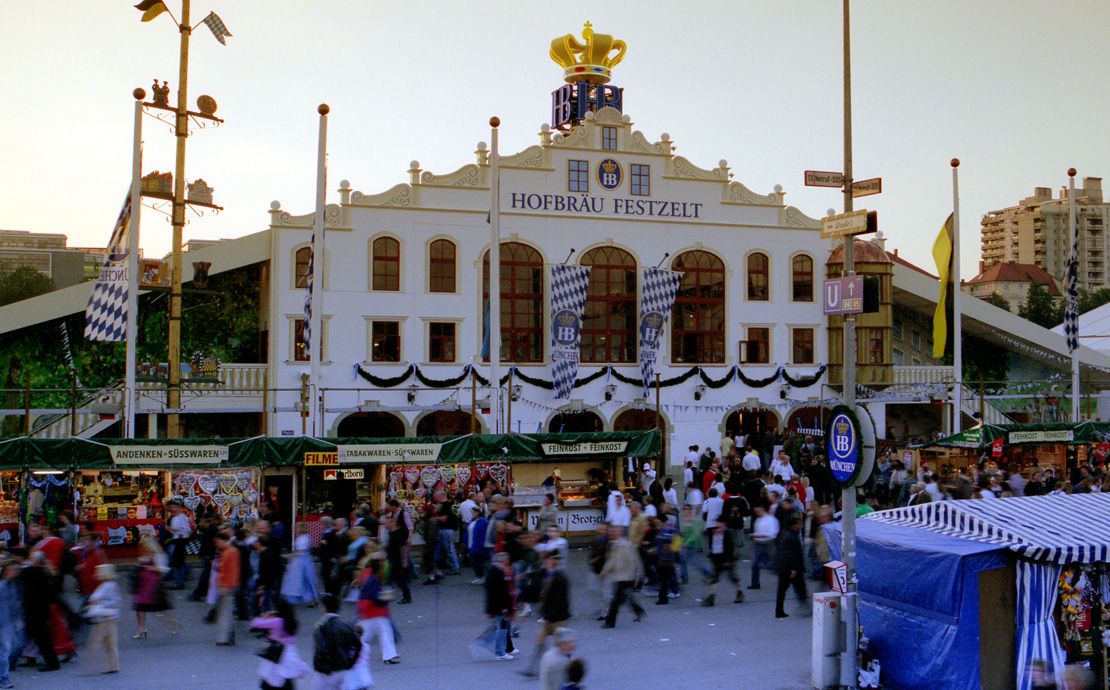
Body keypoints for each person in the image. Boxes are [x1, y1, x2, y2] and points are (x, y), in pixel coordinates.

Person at [521, 550, 571, 678]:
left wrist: (549, 618)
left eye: (548, 559)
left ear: (554, 561)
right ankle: (534, 668)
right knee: (540, 641)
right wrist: (526, 575)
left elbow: (559, 601)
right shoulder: (548, 573)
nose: (546, 562)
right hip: (547, 615)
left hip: (556, 617)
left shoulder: (560, 578)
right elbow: (537, 574)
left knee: (561, 644)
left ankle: (567, 669)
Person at [250, 598, 309, 690]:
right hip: (289, 652)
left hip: (275, 653)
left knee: (271, 679)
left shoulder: (277, 621)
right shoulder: (293, 620)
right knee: (286, 679)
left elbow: (255, 623)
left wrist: (266, 616)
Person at [311, 593, 365, 690]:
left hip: (326, 672)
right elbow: (358, 644)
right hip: (343, 668)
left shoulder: (321, 627)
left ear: (324, 608)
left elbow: (321, 649)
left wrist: (324, 668)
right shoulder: (347, 625)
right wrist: (351, 661)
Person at [132, 536, 181, 638]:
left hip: (154, 585)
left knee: (160, 608)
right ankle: (141, 628)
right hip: (143, 584)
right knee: (139, 607)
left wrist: (151, 568)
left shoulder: (158, 555)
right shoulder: (144, 555)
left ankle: (172, 624)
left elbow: (163, 569)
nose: (142, 547)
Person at [471, 551, 517, 661]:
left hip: (497, 606)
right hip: (500, 607)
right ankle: (499, 652)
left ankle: (484, 644)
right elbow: (500, 592)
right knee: (501, 629)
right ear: (503, 561)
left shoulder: (494, 571)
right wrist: (504, 606)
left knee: (498, 628)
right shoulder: (498, 572)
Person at [356, 553, 399, 665]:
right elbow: (375, 598)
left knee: (368, 634)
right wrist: (386, 598)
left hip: (367, 610)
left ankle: (389, 655)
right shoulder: (374, 579)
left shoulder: (370, 575)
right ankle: (389, 655)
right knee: (383, 632)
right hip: (374, 611)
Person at [21, 550, 60, 671]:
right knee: (41, 637)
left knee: (41, 637)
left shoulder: (31, 572)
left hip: (35, 610)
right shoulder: (45, 572)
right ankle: (47, 661)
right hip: (42, 609)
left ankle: (51, 662)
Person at [601, 526, 644, 628]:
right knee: (624, 597)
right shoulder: (616, 544)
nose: (612, 533)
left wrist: (634, 575)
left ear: (620, 533)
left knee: (615, 601)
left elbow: (632, 561)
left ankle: (610, 622)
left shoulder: (624, 545)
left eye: (614, 531)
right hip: (620, 576)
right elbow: (612, 560)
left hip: (625, 577)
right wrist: (605, 570)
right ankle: (639, 611)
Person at [84, 563, 121, 675]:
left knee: (96, 641)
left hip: (105, 618)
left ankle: (88, 664)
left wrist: (100, 602)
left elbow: (115, 602)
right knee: (110, 642)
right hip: (107, 617)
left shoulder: (109, 586)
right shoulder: (107, 585)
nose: (97, 574)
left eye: (99, 572)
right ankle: (112, 666)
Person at [774, 514, 808, 619]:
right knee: (797, 587)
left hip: (785, 567)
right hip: (790, 568)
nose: (801, 526)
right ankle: (804, 605)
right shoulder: (790, 537)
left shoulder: (785, 533)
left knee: (784, 589)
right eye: (799, 524)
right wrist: (793, 568)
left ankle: (780, 610)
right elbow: (791, 554)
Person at [702, 524, 742, 607]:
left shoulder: (727, 533)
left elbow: (730, 547)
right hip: (718, 560)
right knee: (715, 578)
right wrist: (713, 558)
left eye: (720, 524)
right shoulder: (715, 533)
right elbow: (714, 547)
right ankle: (711, 597)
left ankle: (739, 592)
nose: (717, 526)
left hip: (727, 560)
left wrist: (728, 560)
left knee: (732, 577)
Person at [280, 523, 319, 606]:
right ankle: (311, 599)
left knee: (302, 580)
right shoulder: (305, 537)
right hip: (303, 561)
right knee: (306, 580)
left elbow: (300, 553)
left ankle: (309, 599)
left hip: (301, 562)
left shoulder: (303, 539)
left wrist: (287, 556)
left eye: (296, 528)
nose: (295, 530)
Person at [215, 531, 241, 645]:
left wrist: (227, 585)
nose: (216, 544)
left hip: (227, 586)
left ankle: (225, 637)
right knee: (227, 612)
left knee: (225, 612)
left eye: (217, 542)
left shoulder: (230, 552)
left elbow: (232, 571)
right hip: (227, 585)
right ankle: (229, 635)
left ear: (222, 540)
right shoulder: (230, 552)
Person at [749, 503, 779, 590]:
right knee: (755, 564)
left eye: (758, 511)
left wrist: (758, 535)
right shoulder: (758, 519)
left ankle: (785, 578)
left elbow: (773, 533)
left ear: (762, 509)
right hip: (758, 544)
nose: (757, 513)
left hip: (768, 544)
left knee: (771, 564)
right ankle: (755, 583)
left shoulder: (771, 520)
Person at [0, 560, 20, 687]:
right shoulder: (3, 586)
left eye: (15, 570)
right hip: (3, 622)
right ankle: (3, 678)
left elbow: (13, 605)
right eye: (10, 570)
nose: (13, 572)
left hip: (7, 622)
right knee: (5, 651)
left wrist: (16, 619)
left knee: (6, 650)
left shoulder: (11, 584)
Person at [166, 500, 192, 589]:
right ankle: (180, 579)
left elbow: (187, 530)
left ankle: (179, 582)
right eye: (171, 507)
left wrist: (173, 530)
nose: (172, 509)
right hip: (176, 541)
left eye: (174, 507)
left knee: (178, 562)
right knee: (177, 562)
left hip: (180, 541)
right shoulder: (174, 518)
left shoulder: (182, 517)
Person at [467, 506, 490, 585]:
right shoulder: (473, 520)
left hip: (477, 545)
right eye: (471, 512)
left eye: (473, 512)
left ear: (478, 512)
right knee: (475, 562)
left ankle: (481, 577)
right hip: (471, 544)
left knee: (478, 562)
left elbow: (482, 535)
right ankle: (479, 577)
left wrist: (480, 546)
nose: (472, 514)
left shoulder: (482, 521)